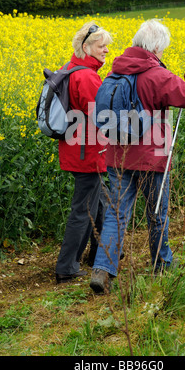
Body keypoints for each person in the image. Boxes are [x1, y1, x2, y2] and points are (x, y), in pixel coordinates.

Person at [90, 19, 185, 293]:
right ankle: (161, 265)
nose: (163, 54)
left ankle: (102, 270)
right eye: (162, 49)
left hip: (118, 157)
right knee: (157, 214)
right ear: (155, 47)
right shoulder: (157, 75)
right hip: (152, 161)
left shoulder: (115, 72)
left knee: (116, 215)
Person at [55, 21, 112, 284]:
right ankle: (66, 266)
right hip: (86, 153)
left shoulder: (71, 68)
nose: (106, 51)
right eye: (102, 47)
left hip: (77, 148)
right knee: (83, 210)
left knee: (99, 202)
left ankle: (98, 254)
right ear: (87, 47)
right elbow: (99, 116)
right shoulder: (87, 76)